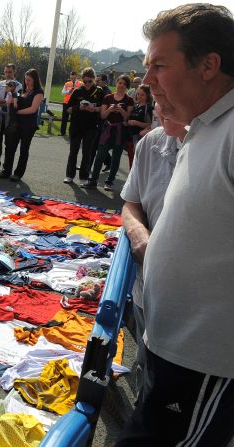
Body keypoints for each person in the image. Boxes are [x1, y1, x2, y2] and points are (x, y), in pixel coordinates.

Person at [116, 5, 234, 446]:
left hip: (204, 360)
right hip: (172, 348)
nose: (147, 81)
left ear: (209, 65)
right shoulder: (202, 130)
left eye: (159, 66)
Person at [120, 102, 186, 398]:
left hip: (194, 302)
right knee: (147, 358)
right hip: (147, 281)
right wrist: (138, 234)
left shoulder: (216, 146)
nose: (161, 106)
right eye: (157, 99)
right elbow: (131, 202)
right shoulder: (151, 143)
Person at [83, 75, 134, 190]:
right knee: (100, 155)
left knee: (116, 157)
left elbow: (127, 118)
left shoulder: (129, 100)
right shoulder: (108, 97)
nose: (121, 85)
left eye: (124, 84)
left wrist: (120, 109)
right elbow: (102, 115)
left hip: (120, 131)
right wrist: (110, 109)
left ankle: (109, 181)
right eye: (119, 83)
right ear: (116, 83)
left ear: (127, 86)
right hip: (108, 129)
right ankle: (93, 180)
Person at [0, 68, 44, 182]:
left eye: (29, 80)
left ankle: (18, 174)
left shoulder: (38, 92)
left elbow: (33, 109)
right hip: (16, 124)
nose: (27, 82)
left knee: (24, 149)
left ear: (35, 80)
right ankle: (6, 171)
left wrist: (17, 112)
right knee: (10, 147)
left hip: (28, 125)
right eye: (26, 79)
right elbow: (12, 103)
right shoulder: (22, 90)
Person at [64, 67, 105, 184]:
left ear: (94, 79)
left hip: (91, 126)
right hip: (76, 125)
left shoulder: (99, 91)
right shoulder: (77, 91)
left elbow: (103, 108)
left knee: (87, 152)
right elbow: (68, 109)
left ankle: (84, 177)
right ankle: (69, 175)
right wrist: (78, 107)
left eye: (90, 81)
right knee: (73, 151)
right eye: (85, 81)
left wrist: (94, 108)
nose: (87, 84)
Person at [0, 63, 23, 171]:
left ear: (14, 71)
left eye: (10, 72)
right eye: (6, 72)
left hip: (10, 117)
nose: (8, 74)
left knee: (9, 142)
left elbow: (17, 101)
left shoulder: (19, 85)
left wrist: (5, 102)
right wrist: (5, 102)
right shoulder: (0, 83)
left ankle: (6, 167)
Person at [125, 84, 154, 167]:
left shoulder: (149, 108)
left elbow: (151, 125)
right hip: (130, 137)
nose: (139, 96)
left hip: (140, 139)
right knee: (131, 160)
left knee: (138, 163)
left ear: (147, 95)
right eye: (138, 94)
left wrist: (136, 123)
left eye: (142, 95)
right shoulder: (136, 106)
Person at [60, 71, 83, 136]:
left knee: (74, 118)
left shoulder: (81, 83)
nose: (72, 78)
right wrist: (68, 91)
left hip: (75, 103)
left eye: (73, 77)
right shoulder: (67, 84)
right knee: (64, 118)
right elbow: (62, 93)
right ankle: (62, 133)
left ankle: (72, 133)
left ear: (76, 76)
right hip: (66, 103)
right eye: (71, 77)